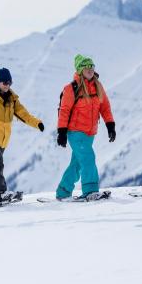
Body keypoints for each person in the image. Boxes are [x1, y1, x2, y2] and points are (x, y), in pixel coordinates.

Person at [0, 67, 44, 204]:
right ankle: (0, 192)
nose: (7, 85)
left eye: (9, 82)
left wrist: (37, 123)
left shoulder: (12, 99)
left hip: (2, 140)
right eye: (4, 82)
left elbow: (23, 114)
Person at [55, 54, 116, 200]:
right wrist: (62, 132)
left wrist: (110, 125)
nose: (90, 70)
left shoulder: (97, 86)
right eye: (86, 67)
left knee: (77, 164)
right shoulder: (71, 88)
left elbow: (105, 107)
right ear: (80, 70)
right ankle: (90, 190)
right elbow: (64, 111)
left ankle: (63, 192)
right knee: (88, 158)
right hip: (75, 132)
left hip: (90, 133)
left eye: (92, 67)